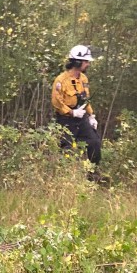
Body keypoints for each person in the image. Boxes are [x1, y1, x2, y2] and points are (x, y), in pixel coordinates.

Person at [52, 44, 103, 181]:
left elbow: (86, 98)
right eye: (86, 62)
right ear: (77, 62)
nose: (88, 64)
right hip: (66, 120)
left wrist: (91, 115)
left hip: (82, 118)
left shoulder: (83, 79)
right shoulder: (61, 80)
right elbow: (57, 103)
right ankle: (65, 179)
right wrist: (71, 112)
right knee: (66, 149)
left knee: (94, 143)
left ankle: (93, 176)